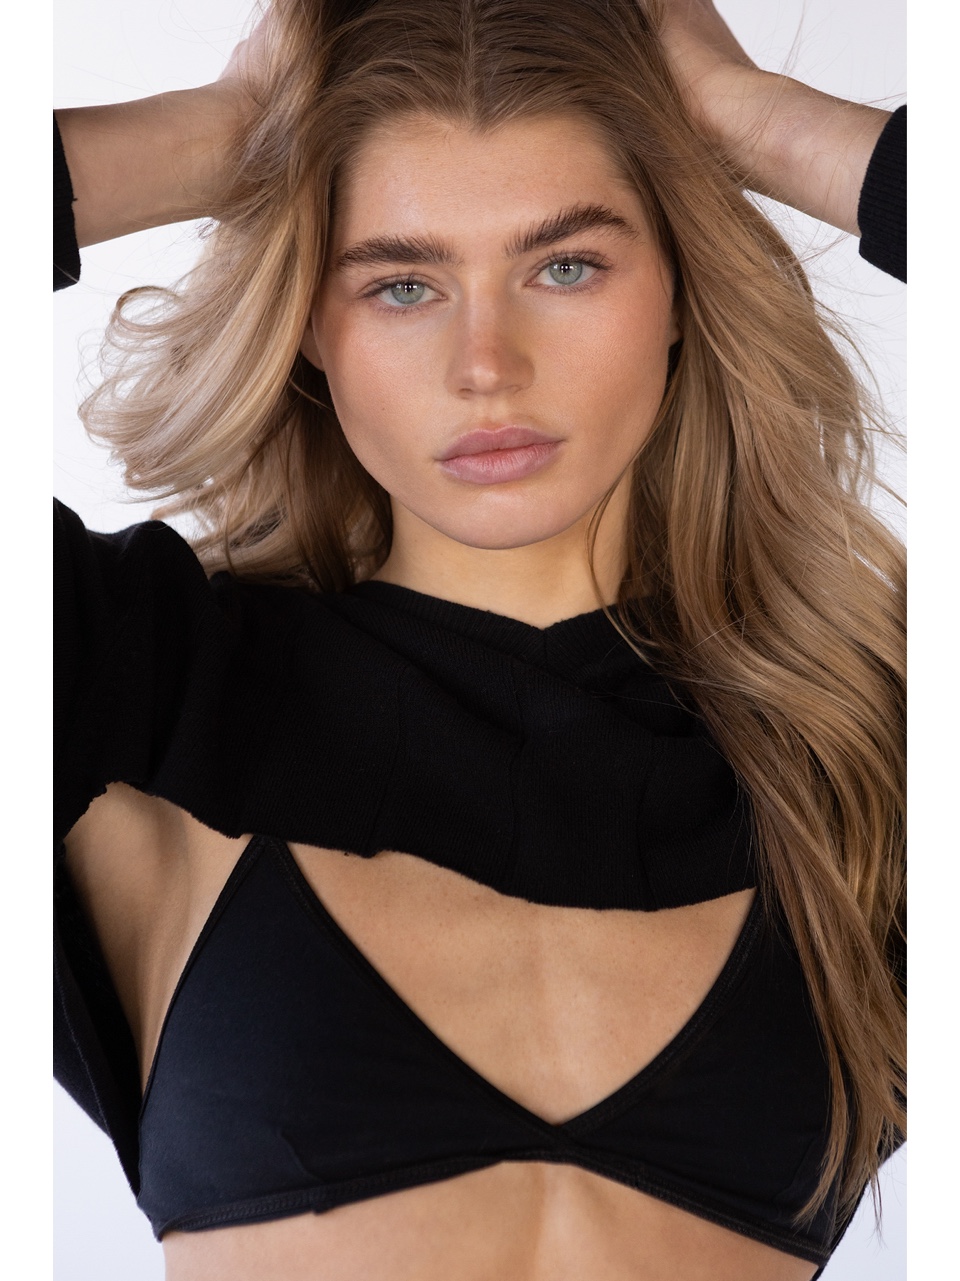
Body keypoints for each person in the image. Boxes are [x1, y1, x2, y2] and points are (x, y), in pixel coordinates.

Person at [53, 1, 905, 1278]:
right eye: (401, 284)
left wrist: (768, 127)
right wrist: (214, 137)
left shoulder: (867, 741)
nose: (486, 365)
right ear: (309, 323)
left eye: (567, 265)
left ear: (681, 287)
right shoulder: (136, 682)